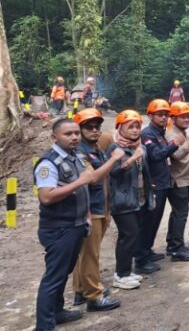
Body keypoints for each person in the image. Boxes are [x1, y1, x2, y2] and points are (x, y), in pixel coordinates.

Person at [33, 118, 96, 330]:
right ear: (54, 137)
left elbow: (83, 190)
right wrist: (80, 181)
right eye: (68, 134)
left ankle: (57, 311)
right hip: (58, 228)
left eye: (76, 133)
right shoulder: (48, 163)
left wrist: (86, 216)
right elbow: (47, 197)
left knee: (63, 272)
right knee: (53, 277)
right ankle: (45, 325)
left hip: (75, 225)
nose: (75, 137)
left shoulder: (75, 156)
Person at [71, 109, 122, 312]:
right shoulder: (81, 152)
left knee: (86, 253)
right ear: (80, 129)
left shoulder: (96, 149)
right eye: (89, 127)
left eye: (97, 127)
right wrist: (114, 159)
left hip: (101, 207)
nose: (95, 131)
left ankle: (81, 290)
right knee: (90, 254)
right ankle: (93, 295)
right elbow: (93, 179)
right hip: (90, 210)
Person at [108, 110, 155, 290]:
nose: (135, 131)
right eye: (131, 127)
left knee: (131, 235)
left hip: (137, 197)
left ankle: (126, 271)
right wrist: (132, 159)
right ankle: (120, 274)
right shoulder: (115, 148)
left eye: (137, 127)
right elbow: (113, 173)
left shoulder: (137, 146)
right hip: (122, 200)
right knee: (128, 235)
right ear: (120, 128)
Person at [135, 99, 181, 274]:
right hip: (154, 184)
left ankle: (147, 250)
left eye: (165, 115)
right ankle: (141, 259)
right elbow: (156, 155)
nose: (163, 118)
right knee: (148, 222)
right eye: (160, 115)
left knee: (154, 221)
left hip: (162, 182)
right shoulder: (148, 134)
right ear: (150, 116)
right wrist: (174, 144)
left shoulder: (159, 133)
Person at [164, 102, 189, 261]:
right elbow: (177, 155)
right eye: (182, 117)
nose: (186, 120)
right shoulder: (172, 134)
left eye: (188, 117)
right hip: (179, 181)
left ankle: (173, 244)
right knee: (180, 214)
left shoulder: (182, 132)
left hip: (186, 179)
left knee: (178, 213)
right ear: (174, 118)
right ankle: (177, 248)